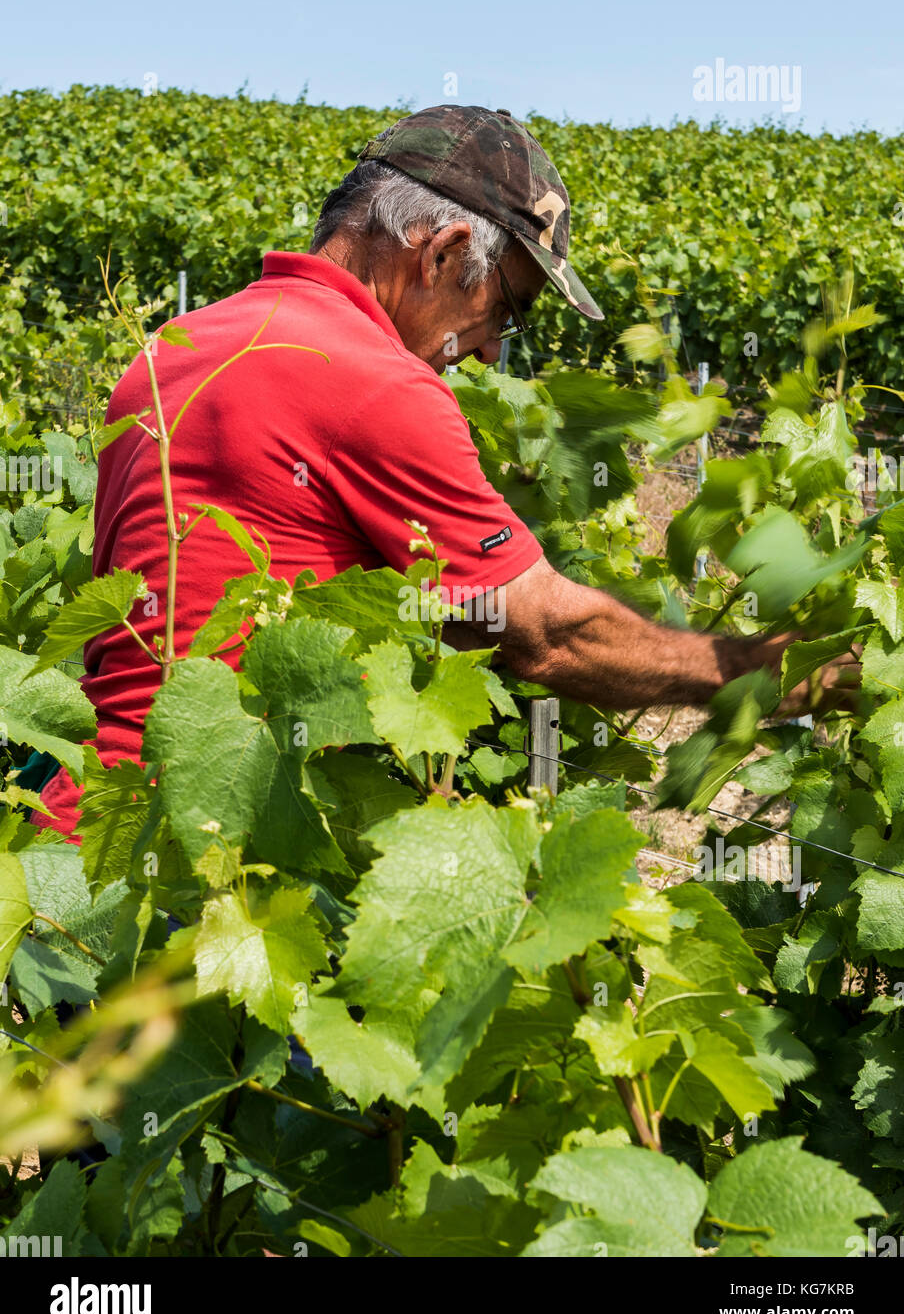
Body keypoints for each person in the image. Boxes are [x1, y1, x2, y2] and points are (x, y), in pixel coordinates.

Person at [32, 104, 851, 838]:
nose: (494, 350)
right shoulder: (377, 383)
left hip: (88, 831)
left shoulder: (177, 348)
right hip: (204, 844)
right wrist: (770, 670)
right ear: (444, 251)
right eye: (506, 309)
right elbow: (544, 635)